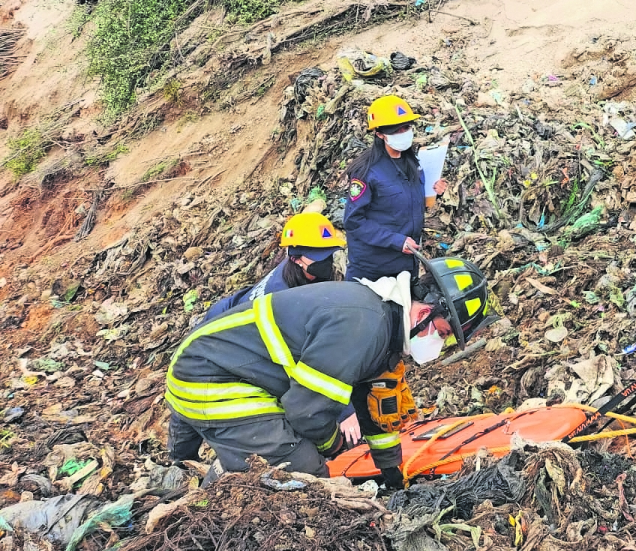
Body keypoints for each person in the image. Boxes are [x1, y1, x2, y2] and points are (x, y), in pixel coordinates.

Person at [166, 253, 493, 486]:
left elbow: (373, 411)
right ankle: (223, 485)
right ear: (425, 311)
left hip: (213, 366)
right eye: (445, 332)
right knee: (304, 476)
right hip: (208, 378)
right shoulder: (363, 326)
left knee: (295, 453)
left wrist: (393, 475)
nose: (439, 342)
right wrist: (333, 445)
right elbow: (305, 410)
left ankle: (192, 475)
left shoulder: (383, 327)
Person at [344, 95, 446, 283]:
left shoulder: (414, 163)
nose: (402, 133)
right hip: (372, 270)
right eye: (395, 130)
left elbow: (412, 205)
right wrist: (397, 241)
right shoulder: (366, 171)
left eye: (406, 128)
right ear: (379, 133)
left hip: (406, 266)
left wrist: (436, 193)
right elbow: (354, 221)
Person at [203, 212, 346, 322]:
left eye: (328, 253)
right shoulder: (284, 299)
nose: (325, 261)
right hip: (226, 326)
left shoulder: (293, 270)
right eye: (318, 256)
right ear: (295, 259)